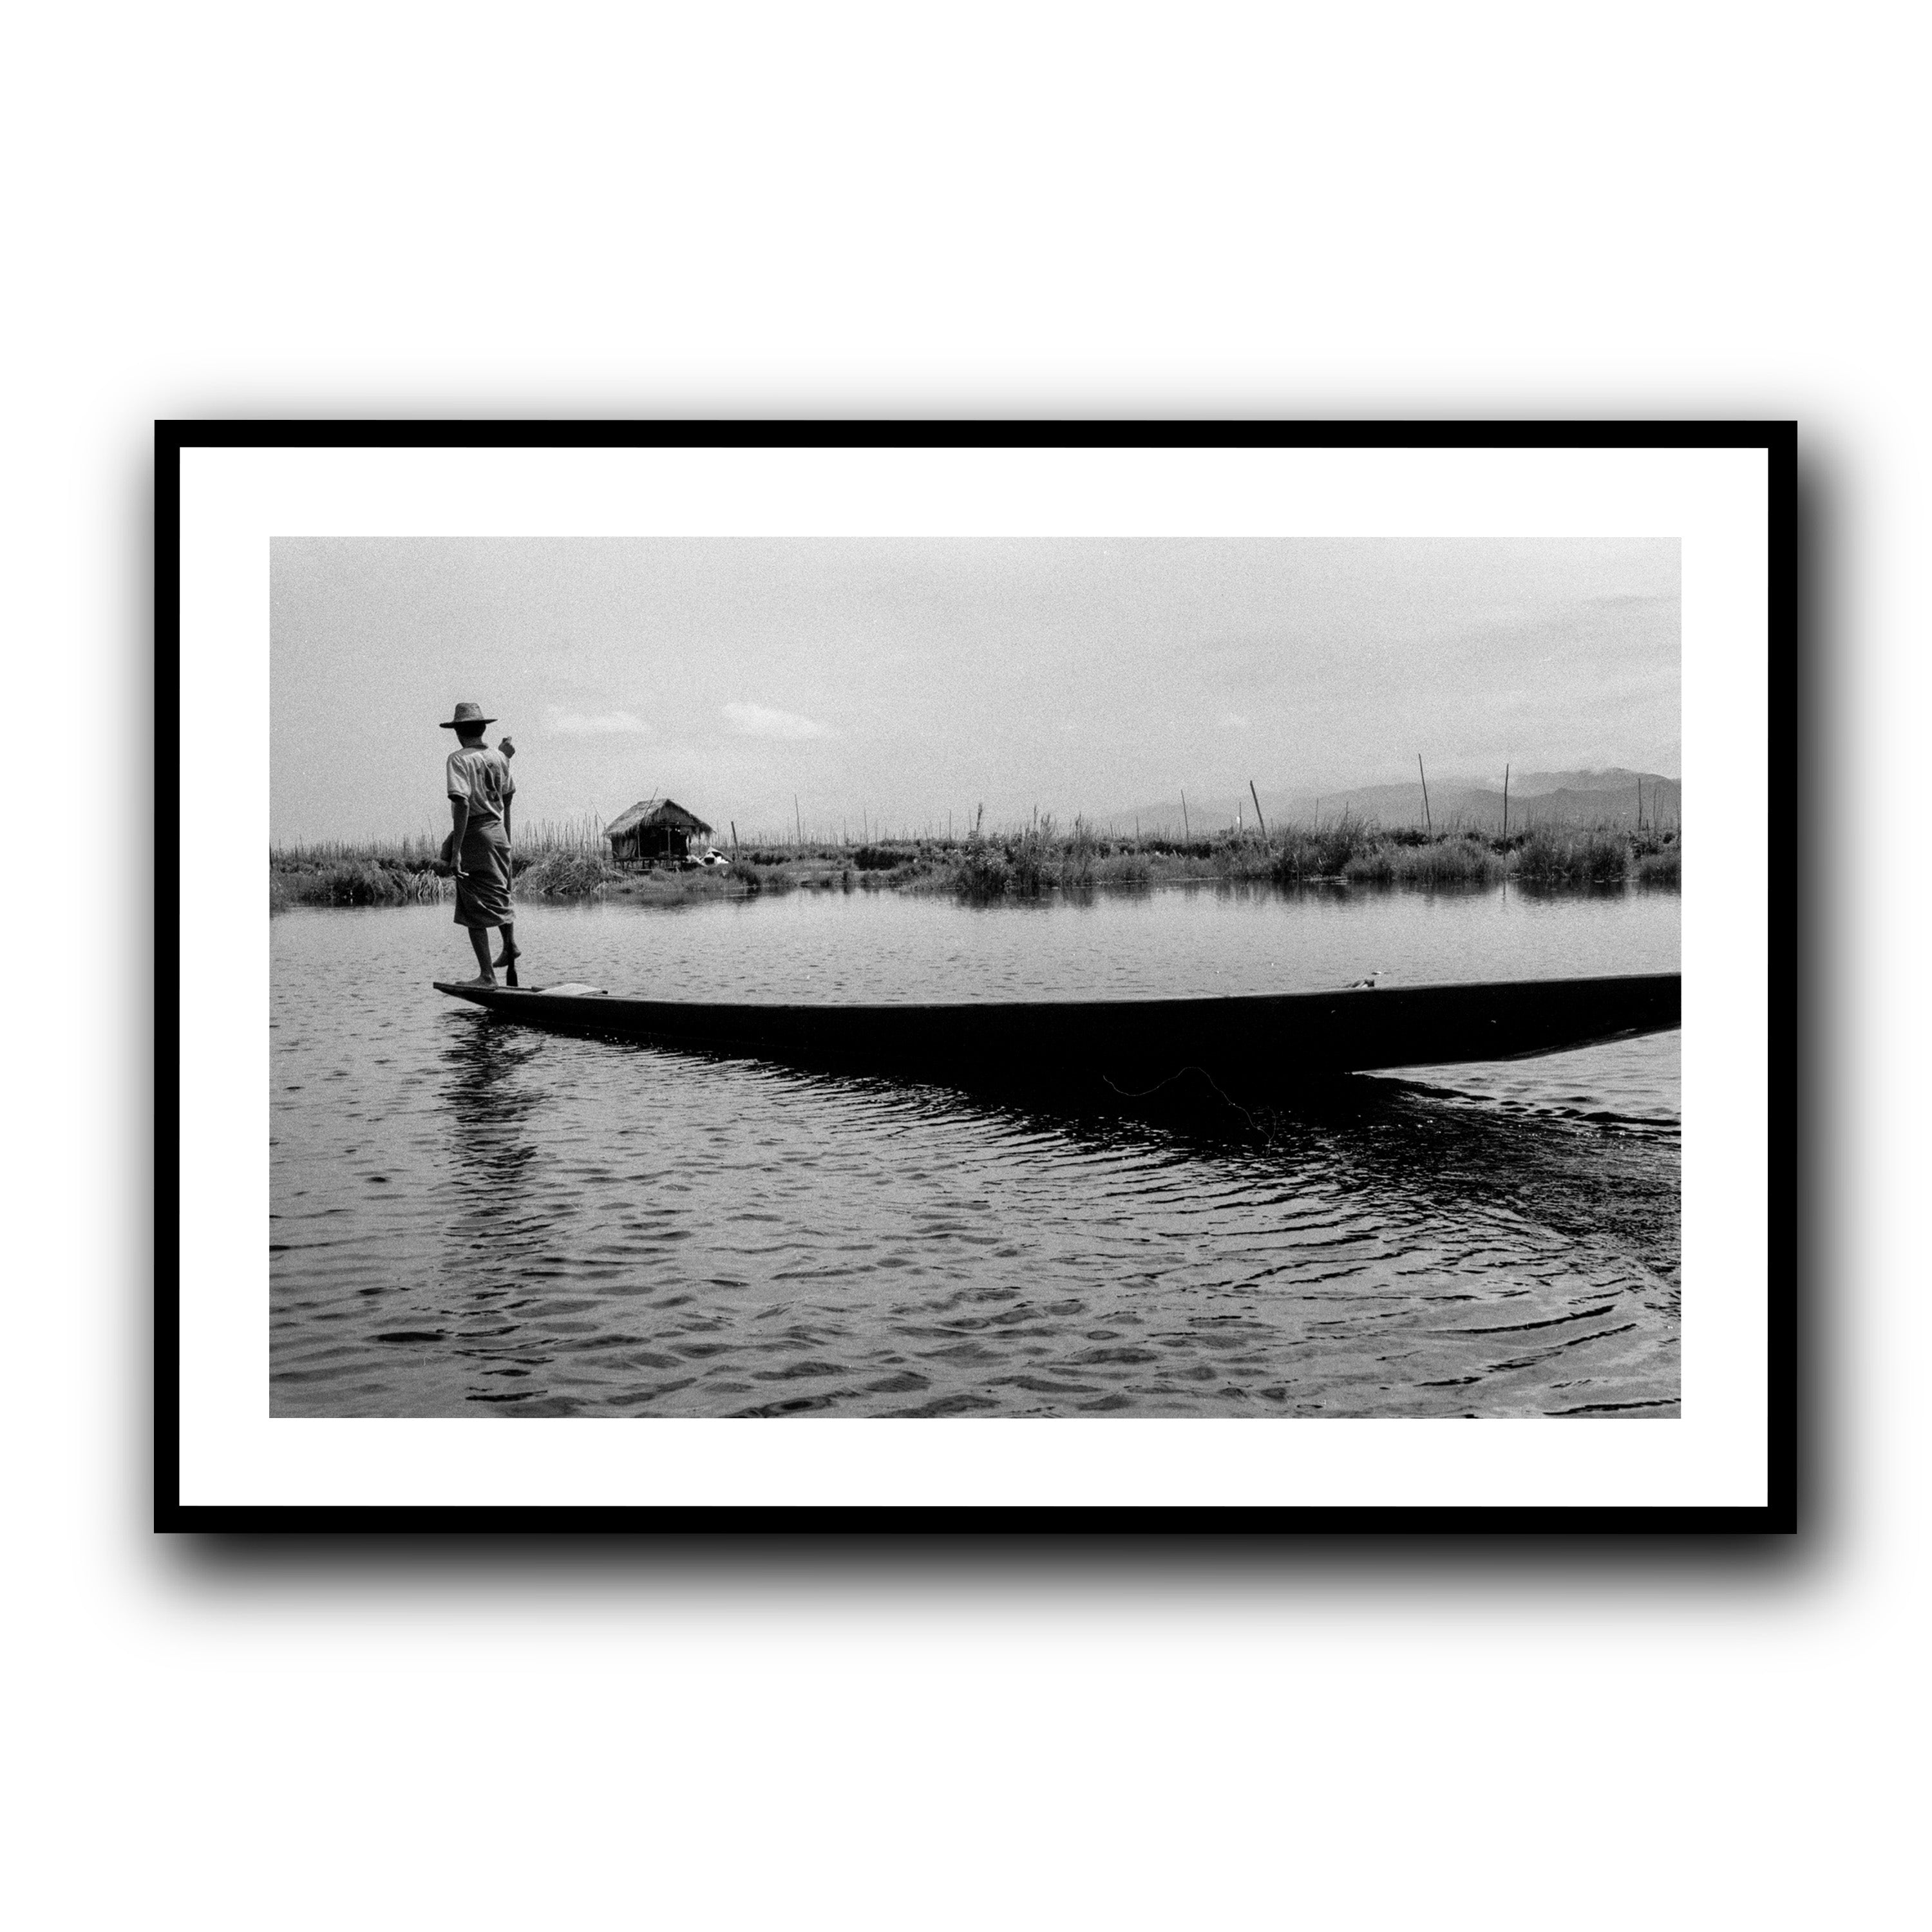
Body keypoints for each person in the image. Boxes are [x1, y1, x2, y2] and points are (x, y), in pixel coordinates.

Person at [439, 701, 518, 983]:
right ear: (482, 729)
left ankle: (487, 975)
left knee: (472, 906)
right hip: (497, 831)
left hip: (476, 832)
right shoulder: (498, 757)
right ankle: (510, 945)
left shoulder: (458, 759)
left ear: (458, 732)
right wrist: (505, 834)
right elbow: (508, 795)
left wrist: (456, 852)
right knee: (499, 893)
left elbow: (462, 804)